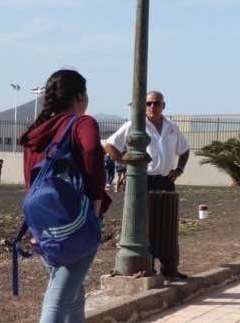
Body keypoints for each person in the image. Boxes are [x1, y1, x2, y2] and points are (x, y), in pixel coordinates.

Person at [19, 69, 109, 323]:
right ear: (80, 95)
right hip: (76, 223)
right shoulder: (82, 122)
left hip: (44, 227)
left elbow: (30, 182)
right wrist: (96, 201)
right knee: (58, 298)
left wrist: (36, 226)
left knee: (74, 294)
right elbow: (92, 149)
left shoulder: (36, 132)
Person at [104, 90, 190, 279]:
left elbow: (184, 149)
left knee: (168, 225)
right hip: (144, 180)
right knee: (146, 225)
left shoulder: (172, 127)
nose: (153, 107)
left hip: (166, 181)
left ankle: (169, 269)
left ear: (163, 105)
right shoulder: (134, 126)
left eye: (156, 103)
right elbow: (110, 145)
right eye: (149, 103)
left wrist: (180, 168)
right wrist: (124, 163)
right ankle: (146, 267)